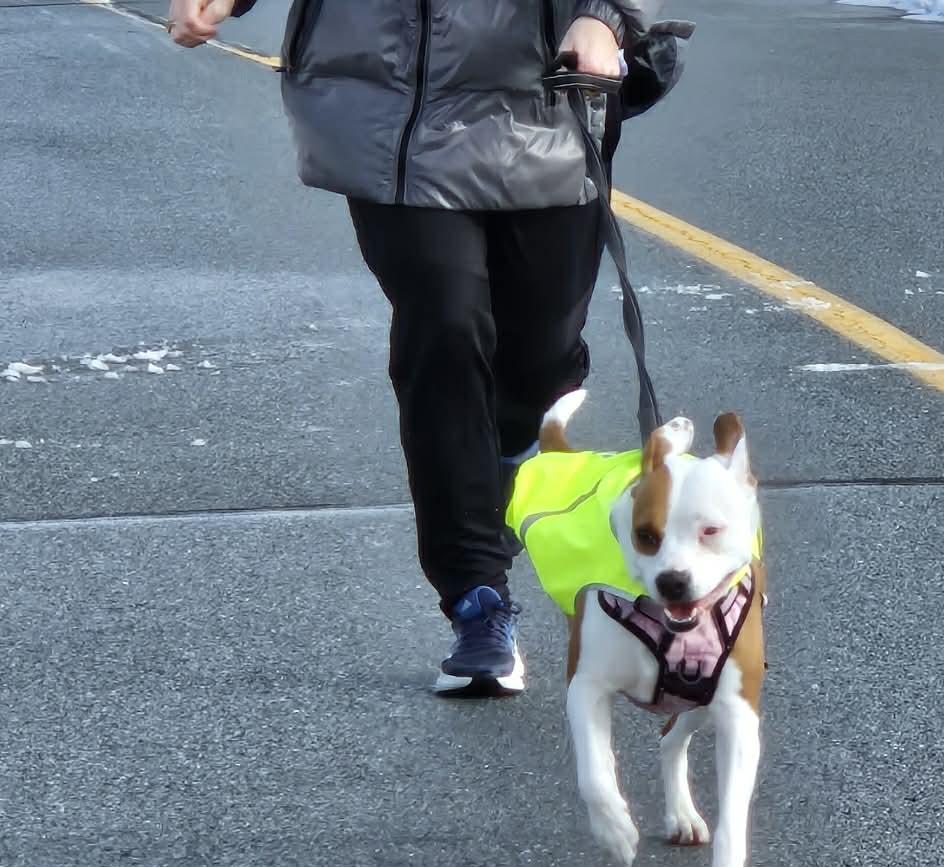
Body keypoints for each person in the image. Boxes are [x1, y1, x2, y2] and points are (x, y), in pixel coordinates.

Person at [168, 0, 663, 695]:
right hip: (384, 112)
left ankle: (509, 458)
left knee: (538, 361)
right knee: (445, 328)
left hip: (544, 102)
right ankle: (476, 600)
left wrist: (604, 19)